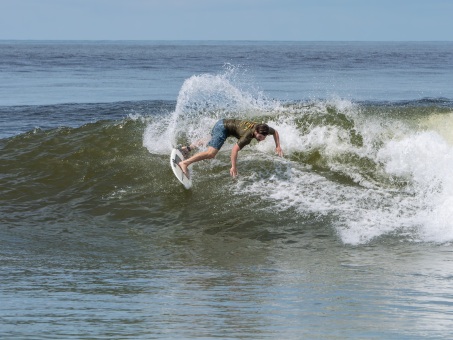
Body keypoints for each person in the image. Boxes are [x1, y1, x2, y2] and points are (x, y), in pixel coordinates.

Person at [178, 119, 283, 178]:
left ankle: (187, 149)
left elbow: (275, 132)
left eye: (263, 138)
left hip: (222, 122)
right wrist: (233, 167)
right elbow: (234, 150)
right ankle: (185, 163)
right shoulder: (247, 137)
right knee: (211, 153)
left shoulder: (263, 128)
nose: (261, 140)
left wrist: (278, 146)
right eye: (260, 137)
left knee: (211, 140)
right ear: (255, 132)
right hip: (223, 128)